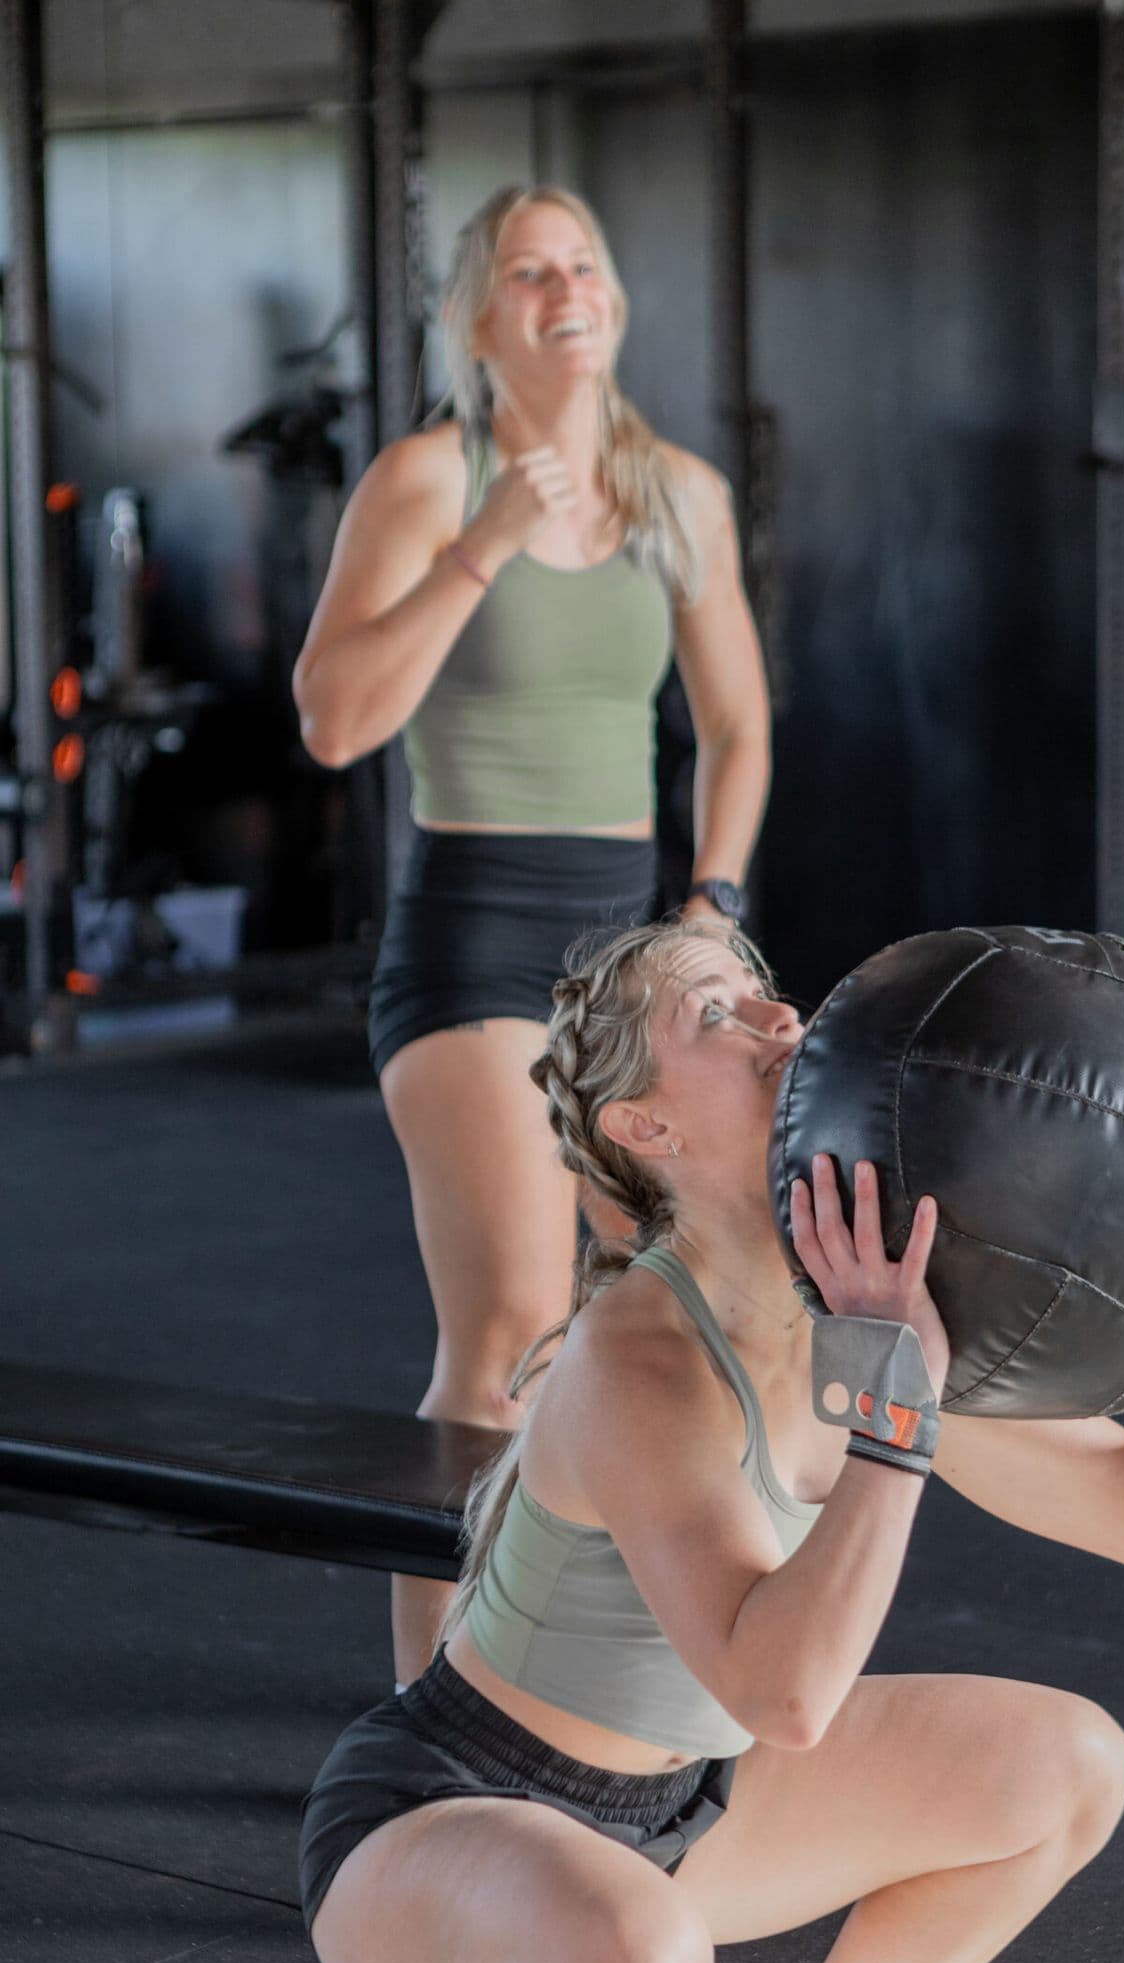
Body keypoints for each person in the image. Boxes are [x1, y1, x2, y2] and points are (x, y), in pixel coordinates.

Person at [300, 917, 1124, 1963]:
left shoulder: (867, 1310)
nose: (777, 1016)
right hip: (450, 1816)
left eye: (766, 992)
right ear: (647, 1125)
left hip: (687, 1808)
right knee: (638, 1961)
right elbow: (784, 1694)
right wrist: (894, 1418)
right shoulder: (641, 1351)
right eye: (716, 1014)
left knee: (1066, 1767)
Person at [292, 186, 768, 1687]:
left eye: (583, 264)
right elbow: (333, 720)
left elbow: (741, 730)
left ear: (611, 297)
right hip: (471, 940)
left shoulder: (680, 495)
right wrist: (486, 543)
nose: (563, 289)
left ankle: (597, 1683)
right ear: (481, 316)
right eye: (526, 271)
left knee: (647, 1331)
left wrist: (713, 907)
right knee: (506, 1332)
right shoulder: (432, 479)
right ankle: (426, 1731)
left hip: (623, 949)